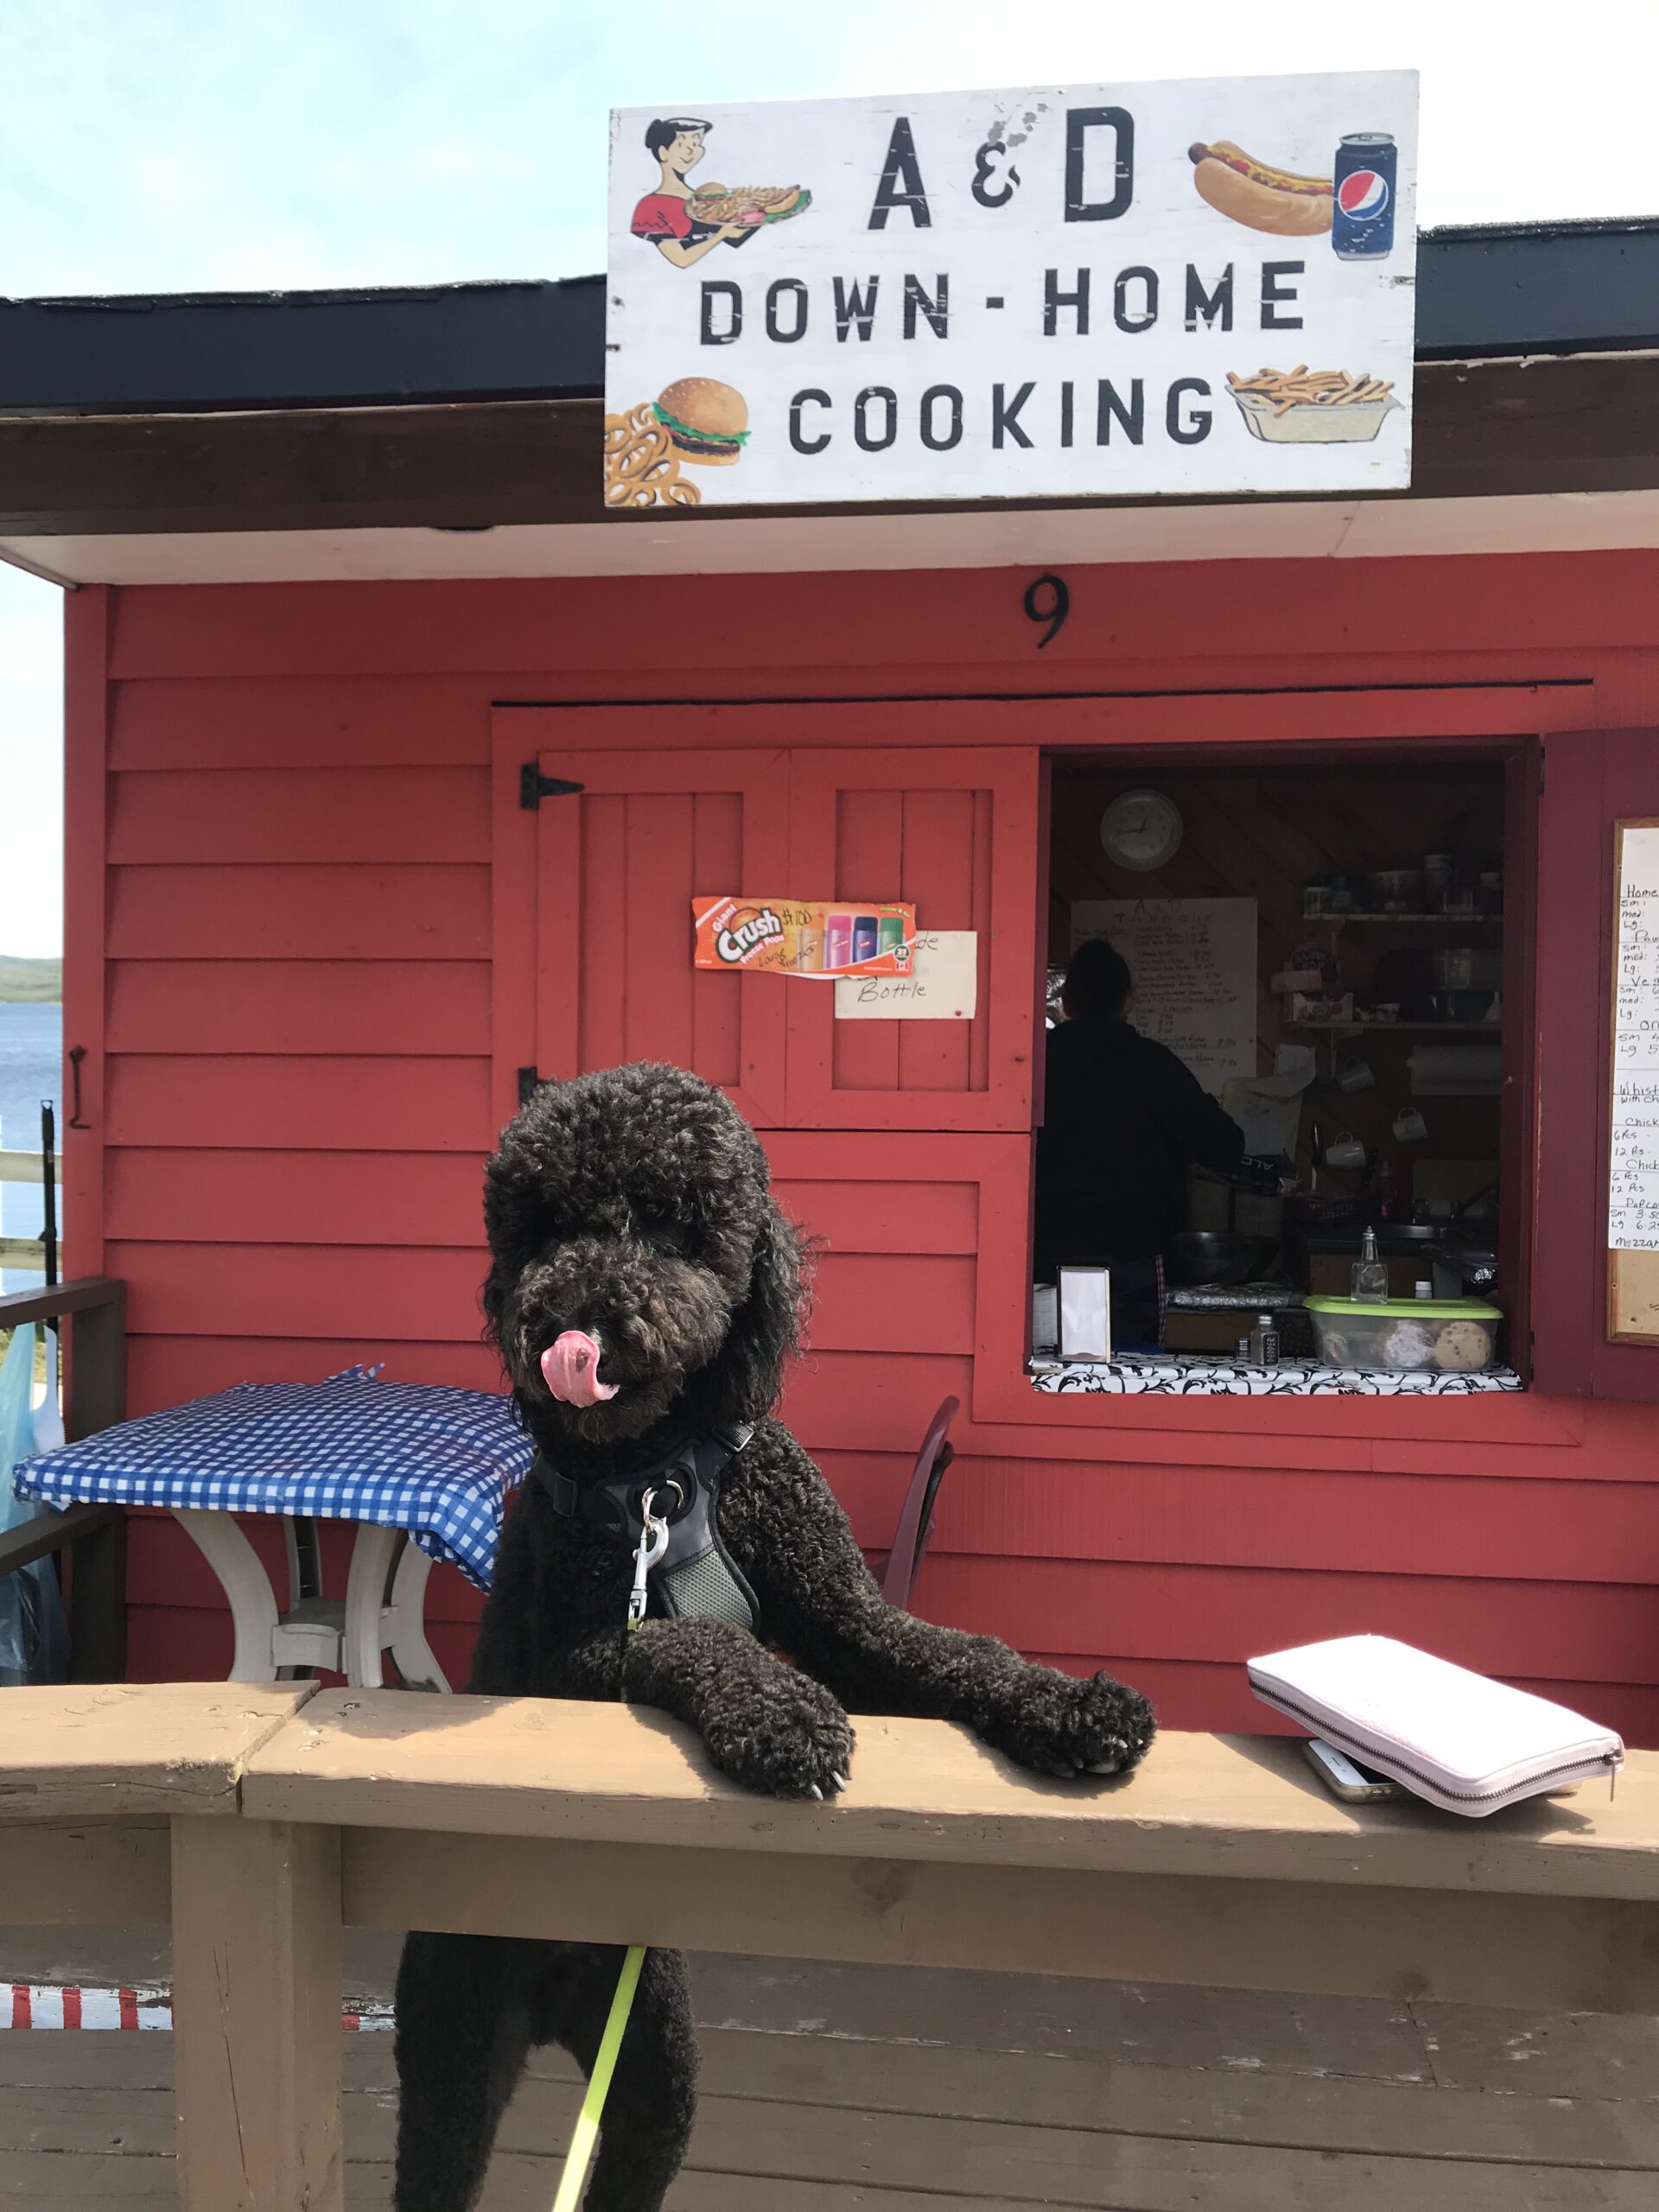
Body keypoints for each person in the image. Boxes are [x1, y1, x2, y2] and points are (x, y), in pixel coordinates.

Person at [1035, 937, 1246, 1344]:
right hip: (1132, 1259)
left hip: (1042, 1254)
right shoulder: (1153, 1064)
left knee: (1041, 1374)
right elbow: (1225, 1147)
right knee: (1133, 1380)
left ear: (1067, 1004)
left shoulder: (1035, 1061)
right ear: (1128, 1000)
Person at [631, 117, 751, 269]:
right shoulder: (651, 206)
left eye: (696, 143)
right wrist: (721, 234)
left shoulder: (703, 199)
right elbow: (681, 260)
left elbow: (737, 240)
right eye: (682, 145)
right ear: (663, 152)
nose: (690, 151)